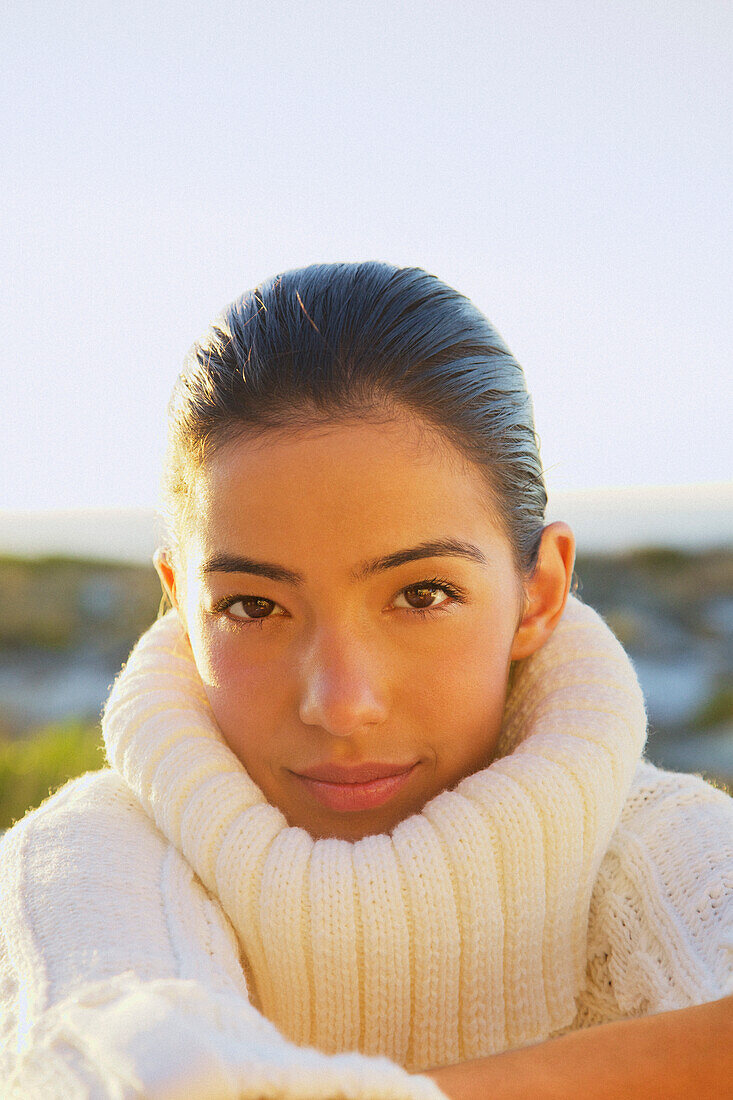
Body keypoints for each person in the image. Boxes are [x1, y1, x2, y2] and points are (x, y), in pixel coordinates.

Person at [0, 263, 731, 1099]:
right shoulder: (78, 865)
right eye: (251, 606)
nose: (340, 703)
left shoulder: (675, 850)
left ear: (540, 592)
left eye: (422, 595)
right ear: (178, 602)